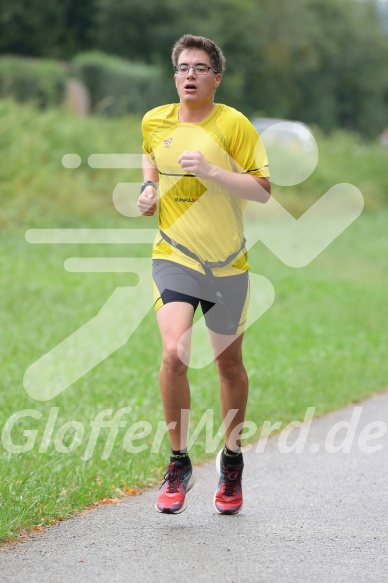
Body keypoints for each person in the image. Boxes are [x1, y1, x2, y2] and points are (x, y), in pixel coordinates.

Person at [137, 34, 271, 515]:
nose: (188, 74)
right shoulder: (156, 120)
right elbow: (151, 155)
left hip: (227, 264)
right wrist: (148, 189)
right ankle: (178, 462)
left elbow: (261, 190)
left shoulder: (233, 124)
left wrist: (214, 172)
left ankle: (231, 461)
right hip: (173, 254)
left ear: (216, 77)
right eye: (181, 67)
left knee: (227, 365)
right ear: (174, 76)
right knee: (173, 352)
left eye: (198, 67)